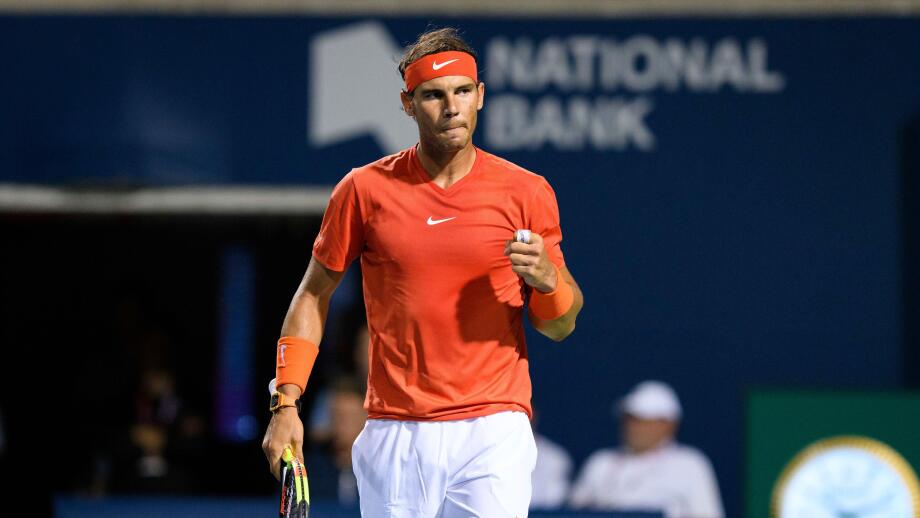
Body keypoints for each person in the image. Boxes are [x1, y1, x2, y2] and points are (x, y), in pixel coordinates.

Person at [262, 26, 584, 517]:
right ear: (408, 104)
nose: (451, 107)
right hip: (396, 430)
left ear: (481, 97)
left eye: (461, 92)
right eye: (433, 95)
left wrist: (548, 282)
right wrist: (286, 404)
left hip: (493, 428)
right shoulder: (363, 190)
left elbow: (561, 325)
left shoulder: (528, 193)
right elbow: (312, 294)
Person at [568, 381, 724, 518]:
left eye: (644, 421)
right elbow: (574, 512)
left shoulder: (690, 463)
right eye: (630, 419)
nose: (634, 428)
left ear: (668, 425)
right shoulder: (600, 461)